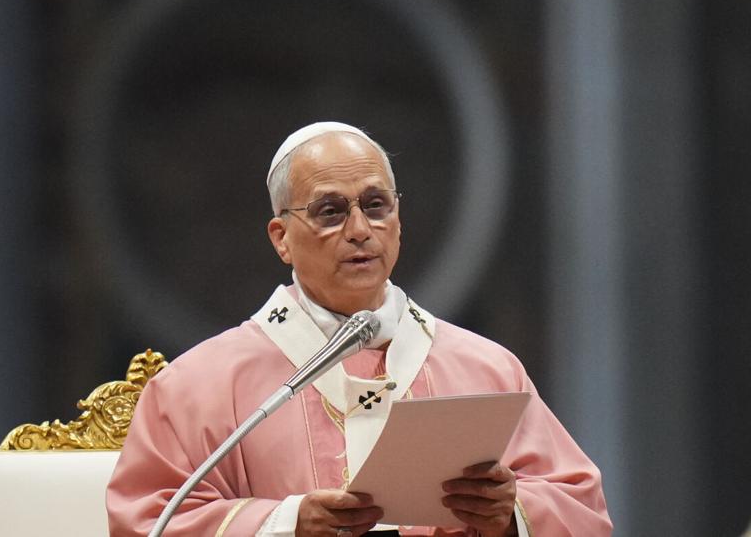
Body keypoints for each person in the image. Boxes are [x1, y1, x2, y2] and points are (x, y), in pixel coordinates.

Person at [106, 123, 611, 536]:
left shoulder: (486, 368)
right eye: (330, 211)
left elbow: (581, 509)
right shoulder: (200, 386)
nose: (359, 230)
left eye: (376, 205)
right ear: (281, 238)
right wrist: (285, 525)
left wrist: (507, 517)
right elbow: (147, 523)